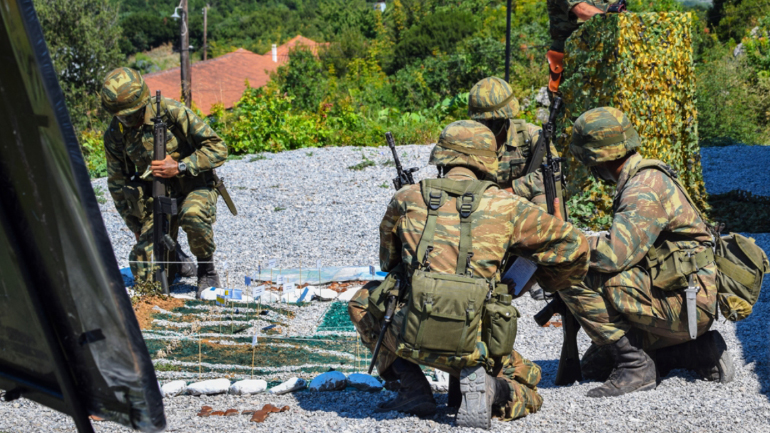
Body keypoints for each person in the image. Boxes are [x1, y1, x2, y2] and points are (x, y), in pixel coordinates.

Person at [348, 120, 589, 427]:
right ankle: (493, 388)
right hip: (478, 347)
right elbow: (576, 245)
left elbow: (388, 263)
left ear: (442, 157)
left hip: (412, 332)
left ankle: (412, 387)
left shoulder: (406, 198)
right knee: (530, 390)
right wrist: (537, 281)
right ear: (489, 161)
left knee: (362, 300)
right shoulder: (507, 205)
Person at [559, 107, 734, 398]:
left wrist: (565, 246)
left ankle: (635, 367)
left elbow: (614, 256)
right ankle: (698, 351)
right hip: (683, 294)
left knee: (570, 273)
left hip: (686, 303)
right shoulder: (644, 177)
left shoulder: (642, 189)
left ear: (596, 158)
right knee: (594, 367)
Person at [100, 67, 228, 297]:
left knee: (193, 215)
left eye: (133, 113)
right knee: (148, 276)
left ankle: (206, 271)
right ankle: (176, 259)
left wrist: (180, 166)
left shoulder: (171, 112)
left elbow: (218, 147)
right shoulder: (115, 135)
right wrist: (136, 226)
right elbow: (117, 183)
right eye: (121, 115)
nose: (128, 120)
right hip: (157, 199)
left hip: (193, 186)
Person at [546, 0, 626, 93]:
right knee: (573, 103)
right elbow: (582, 10)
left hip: (604, 55)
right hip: (573, 59)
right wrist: (616, 19)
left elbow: (617, 9)